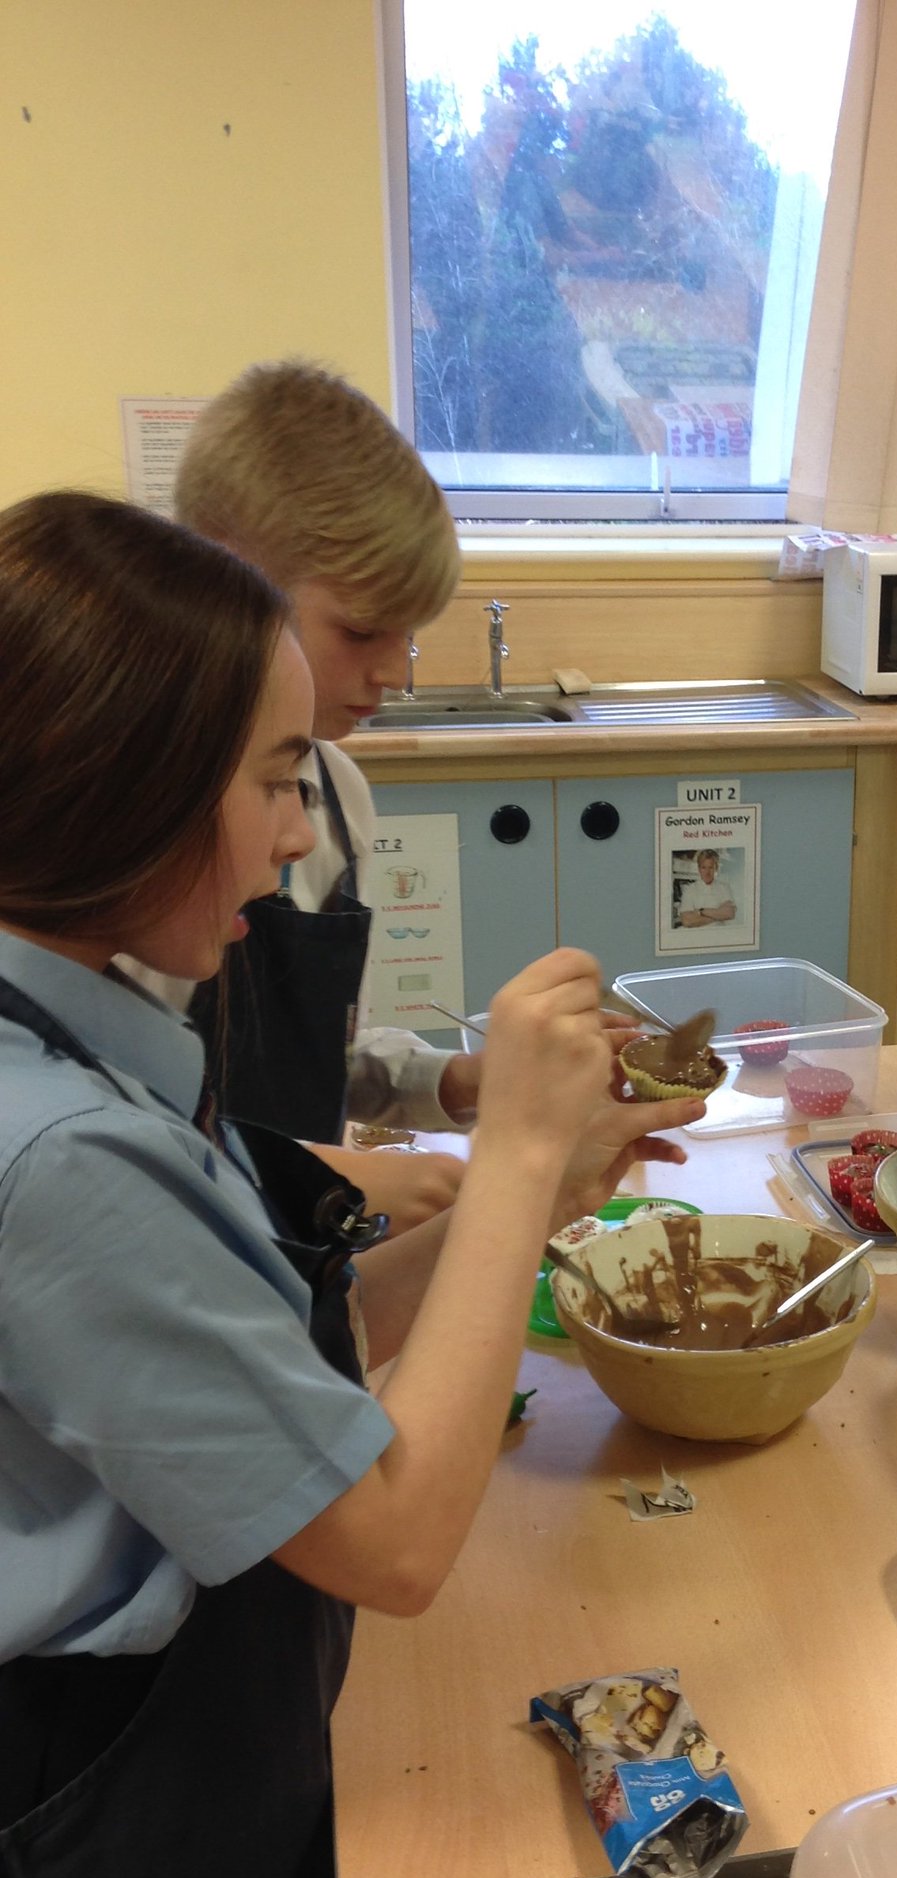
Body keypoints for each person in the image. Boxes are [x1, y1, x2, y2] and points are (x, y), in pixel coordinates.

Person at [0, 492, 701, 1878]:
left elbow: (266, 1349)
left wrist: (528, 1195)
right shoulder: (48, 1158)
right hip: (103, 1806)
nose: (301, 832)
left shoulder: (84, 1030)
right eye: (271, 781)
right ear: (128, 794)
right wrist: (510, 1157)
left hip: (215, 1751)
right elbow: (389, 1541)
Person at [131, 360, 470, 1232]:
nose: (393, 673)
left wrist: (455, 1083)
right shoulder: (134, 831)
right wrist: (315, 1172)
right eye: (360, 631)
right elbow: (114, 1130)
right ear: (228, 578)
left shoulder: (338, 796)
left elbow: (315, 1057)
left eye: (408, 639)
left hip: (300, 1256)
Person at [676, 847, 737, 927]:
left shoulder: (724, 887)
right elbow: (687, 921)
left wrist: (701, 912)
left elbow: (730, 913)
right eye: (703, 868)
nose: (707, 872)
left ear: (716, 868)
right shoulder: (689, 890)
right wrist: (719, 914)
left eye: (710, 867)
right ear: (699, 869)